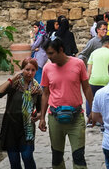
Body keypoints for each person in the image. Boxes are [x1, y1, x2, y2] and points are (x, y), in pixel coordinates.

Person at [39, 37, 94, 169]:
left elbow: (86, 87)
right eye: (47, 53)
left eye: (51, 53)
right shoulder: (47, 68)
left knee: (79, 157)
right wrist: (42, 117)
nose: (49, 57)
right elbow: (46, 93)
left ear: (61, 50)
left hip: (76, 117)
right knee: (57, 157)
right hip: (55, 117)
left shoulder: (78, 64)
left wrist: (92, 110)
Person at [0, 58, 42, 169]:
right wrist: (12, 79)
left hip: (27, 128)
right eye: (27, 69)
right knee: (14, 162)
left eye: (33, 70)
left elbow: (40, 110)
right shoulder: (14, 85)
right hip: (11, 127)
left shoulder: (37, 89)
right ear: (22, 70)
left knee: (27, 157)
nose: (30, 73)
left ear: (36, 71)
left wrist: (39, 116)